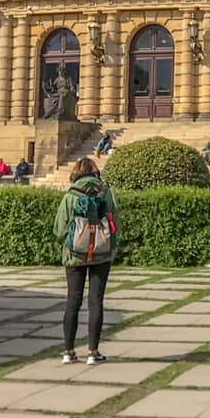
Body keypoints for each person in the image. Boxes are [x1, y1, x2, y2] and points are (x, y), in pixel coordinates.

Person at [53, 157, 120, 366]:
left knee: (73, 300)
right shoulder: (106, 192)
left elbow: (58, 229)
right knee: (95, 301)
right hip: (101, 253)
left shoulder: (70, 195)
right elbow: (115, 222)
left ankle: (68, 351)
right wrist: (111, 245)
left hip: (75, 253)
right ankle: (93, 351)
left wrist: (71, 240)